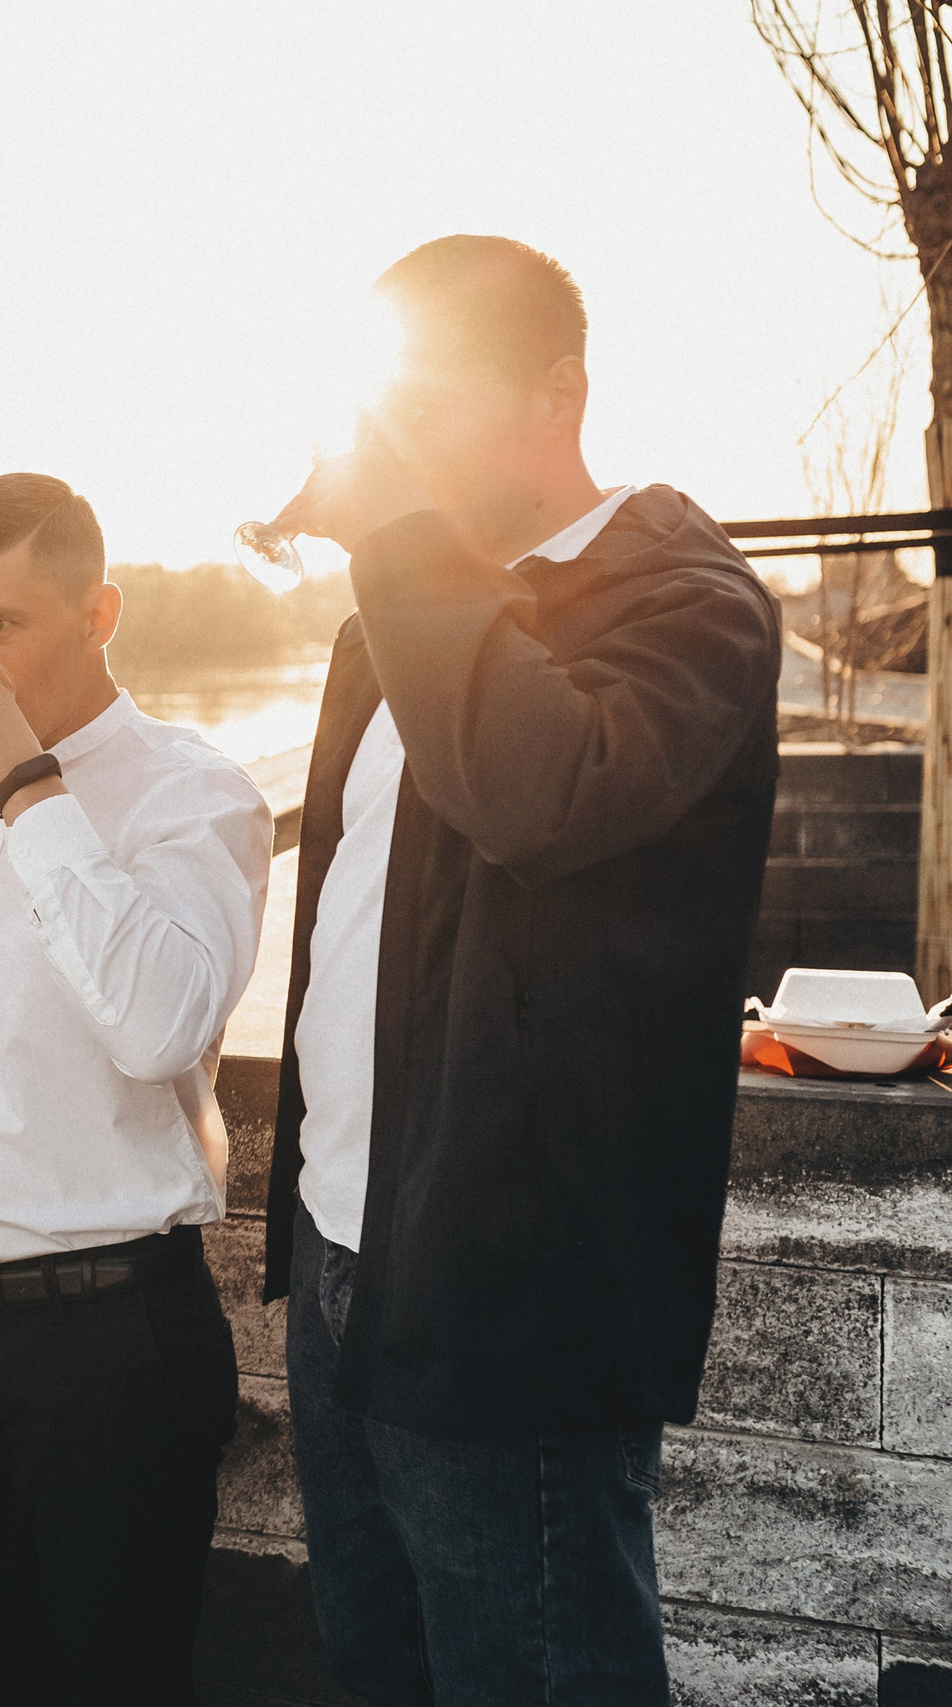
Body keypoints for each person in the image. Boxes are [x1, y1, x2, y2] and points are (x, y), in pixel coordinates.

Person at [261, 236, 781, 1705]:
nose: (395, 455)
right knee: (382, 1672)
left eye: (426, 412)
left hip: (512, 1303)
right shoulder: (403, 620)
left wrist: (400, 537)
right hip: (346, 1272)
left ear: (564, 393)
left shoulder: (690, 604)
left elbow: (538, 796)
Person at [0, 474, 271, 1705]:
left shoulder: (191, 791)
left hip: (109, 1348)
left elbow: (160, 1023)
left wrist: (26, 790)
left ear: (99, 613)